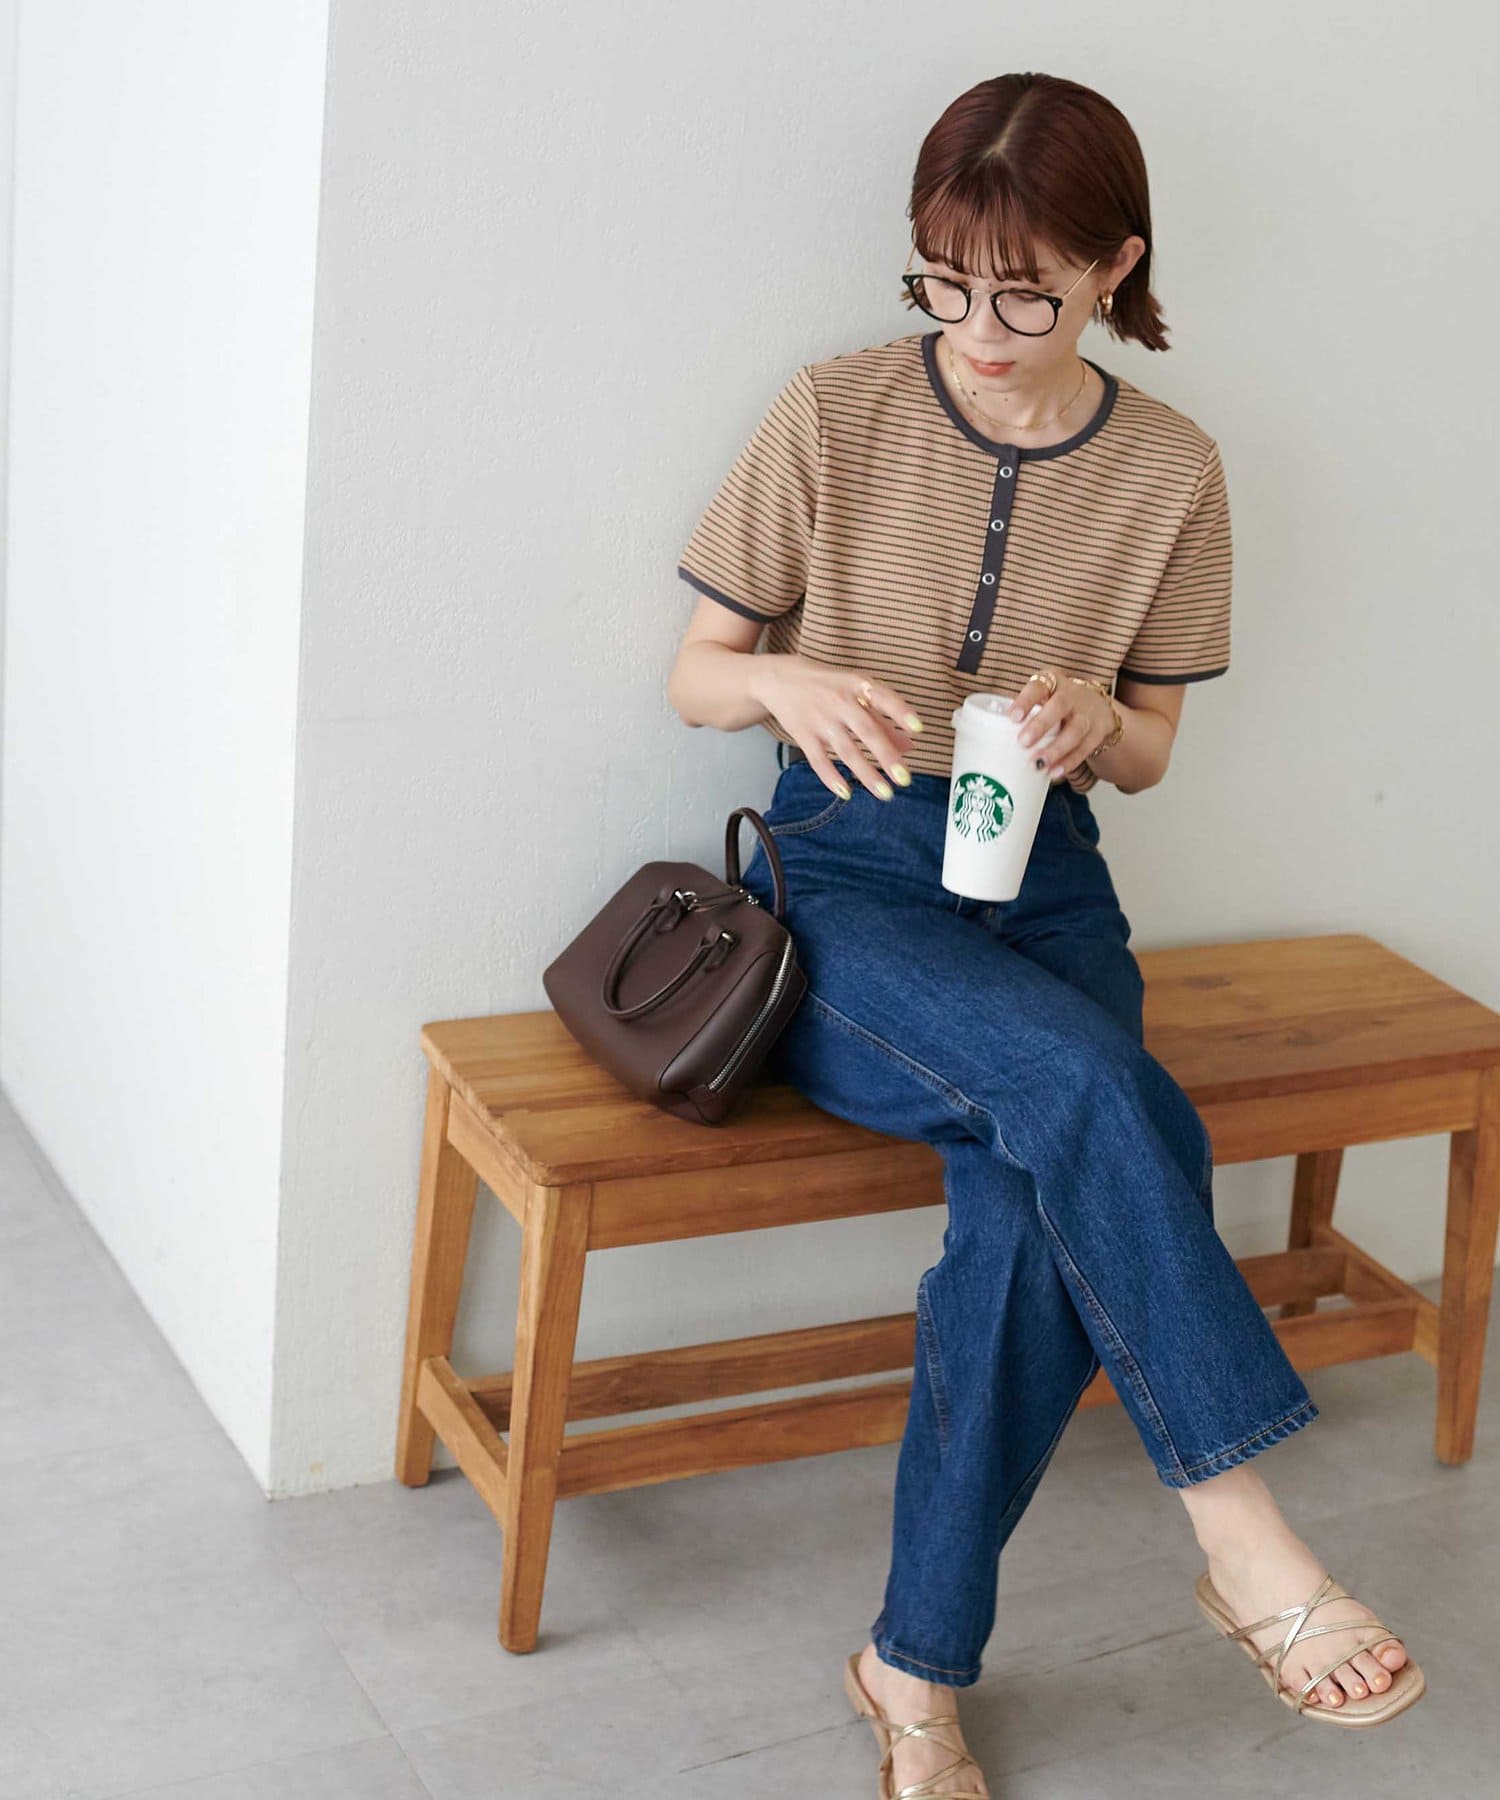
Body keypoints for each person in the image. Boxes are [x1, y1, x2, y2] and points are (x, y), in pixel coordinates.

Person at [667, 71, 1421, 1797]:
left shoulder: (1174, 470)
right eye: (943, 286)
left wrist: (1097, 718)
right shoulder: (835, 409)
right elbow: (693, 673)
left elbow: (1153, 750)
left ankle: (911, 1674)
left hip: (1050, 878)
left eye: (1025, 295)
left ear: (1112, 267)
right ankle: (1246, 1539)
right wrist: (784, 680)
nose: (979, 333)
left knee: (1029, 1203)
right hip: (844, 881)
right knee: (1095, 1094)